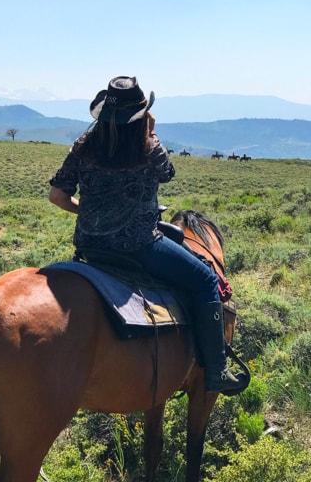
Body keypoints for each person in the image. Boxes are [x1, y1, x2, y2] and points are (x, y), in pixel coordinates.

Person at [49, 75, 246, 394]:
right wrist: (151, 132)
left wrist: (86, 212)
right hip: (140, 245)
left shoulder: (84, 146)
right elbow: (168, 173)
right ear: (142, 115)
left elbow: (57, 196)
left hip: (91, 247)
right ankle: (216, 370)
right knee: (206, 281)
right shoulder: (148, 146)